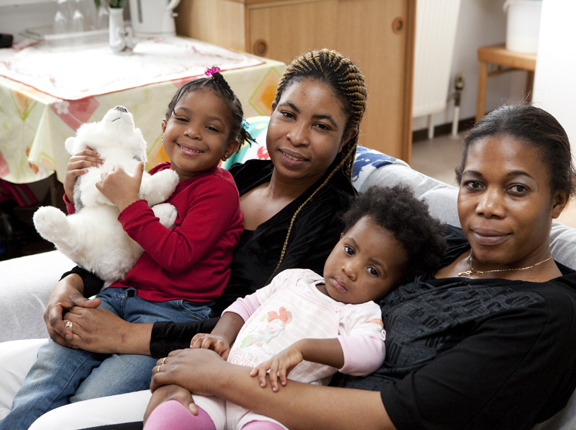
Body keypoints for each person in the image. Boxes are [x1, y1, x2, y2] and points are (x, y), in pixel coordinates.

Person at [141, 104, 576, 430]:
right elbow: (289, 302)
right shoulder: (443, 248)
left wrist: (221, 377)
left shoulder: (543, 316)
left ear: (556, 200)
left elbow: (388, 415)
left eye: (516, 189)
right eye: (474, 184)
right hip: (252, 395)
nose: (488, 207)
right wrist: (193, 366)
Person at [0, 49, 367, 428]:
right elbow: (137, 239)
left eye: (321, 126)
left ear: (347, 135)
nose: (297, 136)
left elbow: (268, 327)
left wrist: (128, 337)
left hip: (184, 363)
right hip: (122, 310)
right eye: (288, 114)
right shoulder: (242, 175)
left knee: (60, 419)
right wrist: (72, 283)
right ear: (272, 111)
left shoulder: (339, 221)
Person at [0, 67, 252, 429]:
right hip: (117, 296)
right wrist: (73, 195)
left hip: (172, 314)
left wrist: (129, 203)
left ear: (229, 146)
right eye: (182, 119)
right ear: (164, 125)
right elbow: (108, 239)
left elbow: (177, 256)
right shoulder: (157, 174)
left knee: (92, 401)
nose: (193, 132)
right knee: (45, 380)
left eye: (211, 128)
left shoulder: (219, 190)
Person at [144, 185, 447, 430]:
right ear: (339, 240)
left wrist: (304, 348)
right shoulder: (295, 279)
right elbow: (246, 306)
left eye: (373, 271)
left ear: (392, 285)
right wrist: (222, 336)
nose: (351, 269)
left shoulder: (363, 312)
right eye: (350, 250)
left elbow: (370, 352)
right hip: (217, 386)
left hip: (270, 412)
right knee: (173, 417)